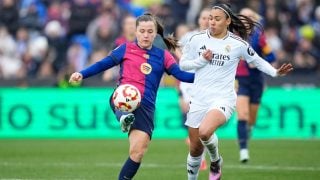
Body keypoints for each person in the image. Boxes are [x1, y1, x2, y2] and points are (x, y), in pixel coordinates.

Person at [69, 12, 195, 180]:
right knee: (120, 97)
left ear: (155, 33)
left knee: (138, 152)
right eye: (142, 31)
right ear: (136, 32)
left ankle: (125, 121)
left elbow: (181, 75)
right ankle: (124, 116)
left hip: (146, 106)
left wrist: (205, 77)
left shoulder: (163, 56)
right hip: (122, 96)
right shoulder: (126, 49)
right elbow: (103, 64)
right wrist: (81, 73)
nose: (146, 35)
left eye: (150, 31)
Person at [179, 3, 293, 180]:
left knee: (204, 132)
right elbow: (183, 64)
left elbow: (258, 60)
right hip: (199, 98)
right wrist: (201, 60)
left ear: (227, 21)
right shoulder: (196, 40)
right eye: (210, 18)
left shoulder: (237, 44)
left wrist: (275, 72)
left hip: (223, 98)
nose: (212, 22)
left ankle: (216, 160)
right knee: (195, 148)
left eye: (217, 19)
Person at [235, 7, 277, 163]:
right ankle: (243, 151)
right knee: (242, 115)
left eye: (248, 17)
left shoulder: (259, 38)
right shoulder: (233, 38)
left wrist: (257, 61)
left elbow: (272, 56)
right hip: (240, 79)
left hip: (256, 81)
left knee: (251, 119)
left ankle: (248, 131)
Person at [176, 7, 211, 171]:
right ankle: (200, 158)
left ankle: (201, 154)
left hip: (210, 85)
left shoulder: (220, 39)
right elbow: (175, 49)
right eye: (203, 18)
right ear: (198, 20)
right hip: (190, 85)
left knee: (204, 127)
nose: (206, 21)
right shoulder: (189, 37)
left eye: (209, 18)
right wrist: (180, 94)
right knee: (196, 124)